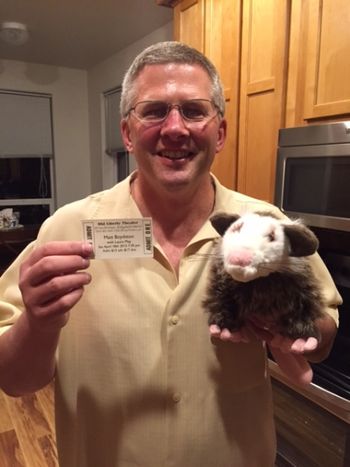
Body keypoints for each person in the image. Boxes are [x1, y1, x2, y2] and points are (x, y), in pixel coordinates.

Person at [0, 41, 342, 467]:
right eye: (154, 110)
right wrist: (37, 321)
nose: (175, 128)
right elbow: (15, 381)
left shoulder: (269, 228)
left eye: (195, 111)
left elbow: (323, 339)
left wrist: (295, 332)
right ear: (126, 132)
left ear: (220, 133)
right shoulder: (66, 231)